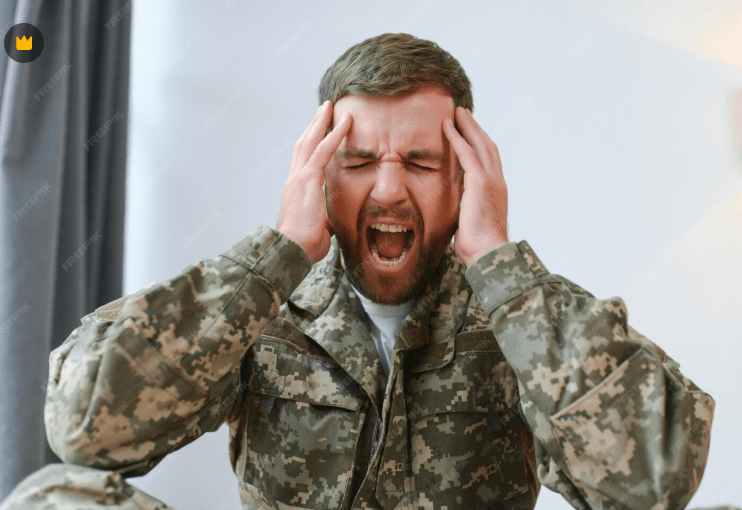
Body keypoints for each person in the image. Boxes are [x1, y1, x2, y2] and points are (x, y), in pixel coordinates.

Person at [1, 33, 720, 510]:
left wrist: (502, 267)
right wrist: (276, 255)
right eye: (359, 161)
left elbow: (652, 482)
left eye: (421, 163)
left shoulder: (521, 317)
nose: (388, 189)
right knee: (53, 499)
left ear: (464, 181)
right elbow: (84, 426)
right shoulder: (261, 307)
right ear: (319, 175)